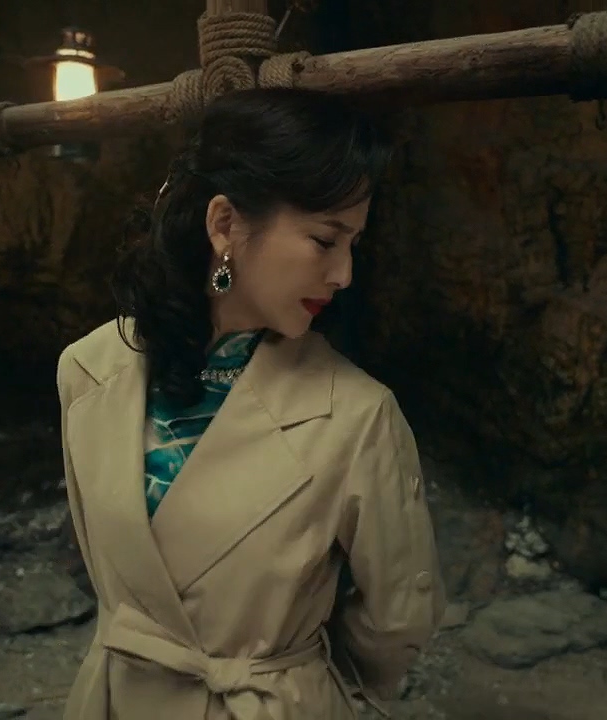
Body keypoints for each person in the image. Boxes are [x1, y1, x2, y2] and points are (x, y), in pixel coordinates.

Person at [56, 87, 446, 720]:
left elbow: (400, 616)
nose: (344, 274)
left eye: (353, 244)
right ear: (224, 225)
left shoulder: (358, 415)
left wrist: (303, 682)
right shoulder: (89, 369)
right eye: (325, 240)